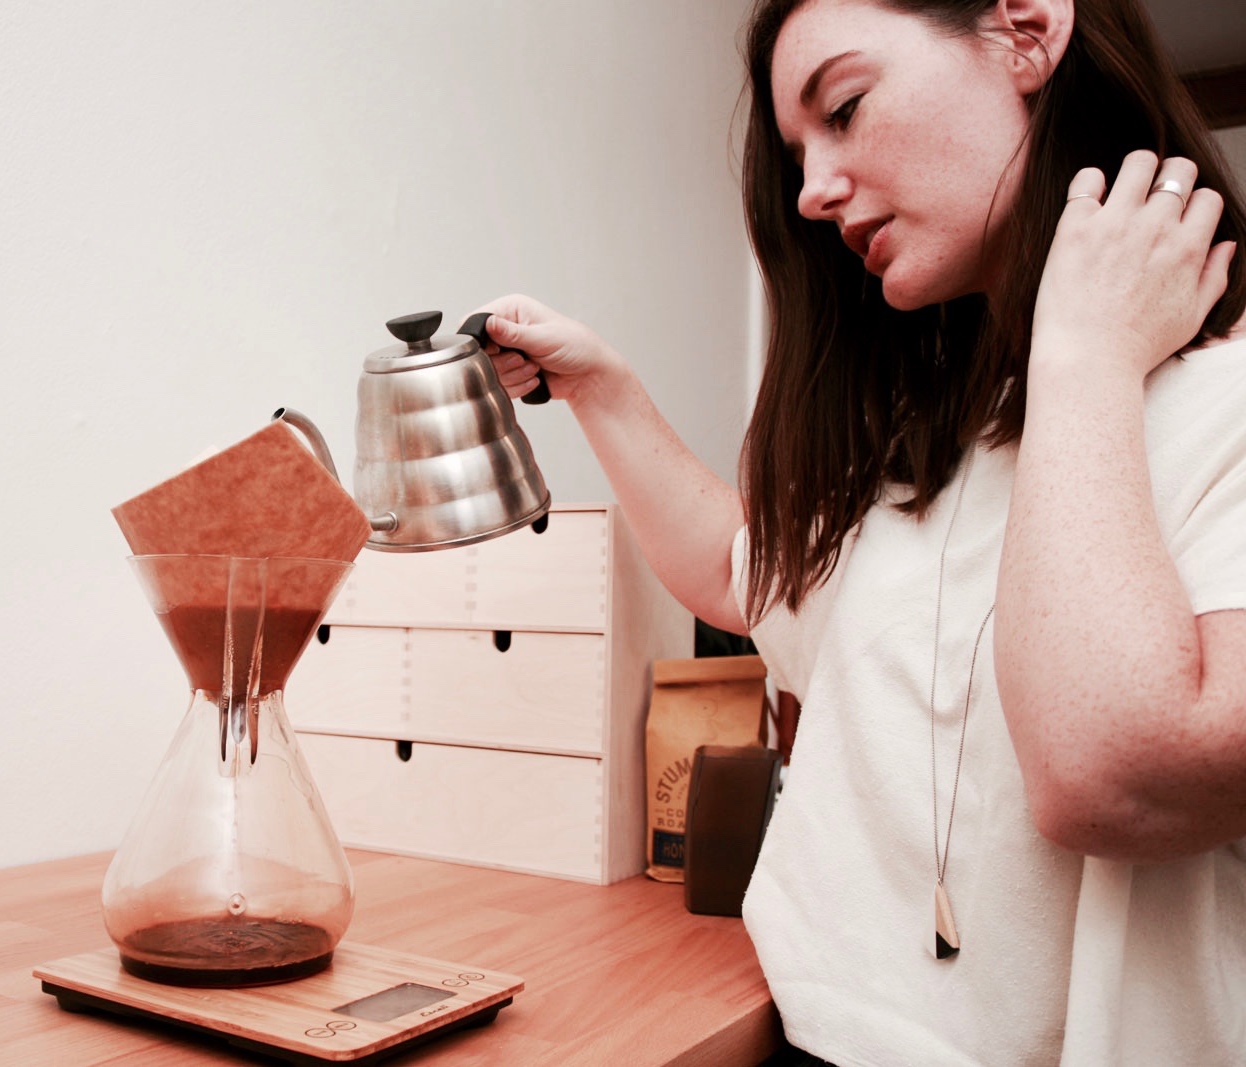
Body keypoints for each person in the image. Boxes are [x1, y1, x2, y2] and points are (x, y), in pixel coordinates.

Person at [476, 0, 1246, 1062]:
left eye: (844, 106)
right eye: (799, 151)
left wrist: (1085, 353)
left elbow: (1109, 774)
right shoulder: (937, 432)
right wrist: (601, 384)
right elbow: (741, 575)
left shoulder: (1214, 402)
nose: (810, 190)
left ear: (1025, 28)